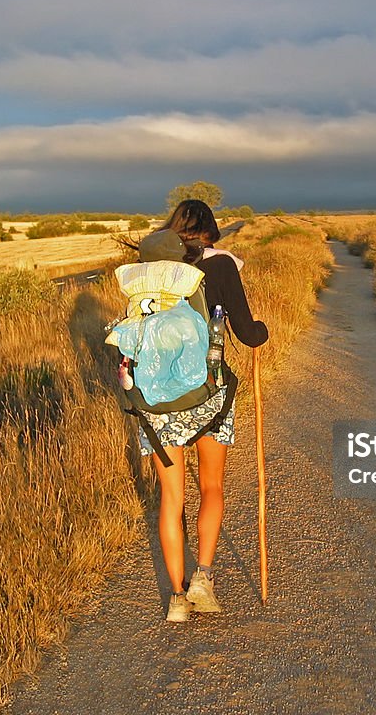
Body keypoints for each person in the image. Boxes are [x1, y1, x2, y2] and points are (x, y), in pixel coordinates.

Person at [139, 199, 268, 623]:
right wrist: (262, 331)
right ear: (212, 230)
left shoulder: (151, 273)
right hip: (210, 394)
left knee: (170, 497)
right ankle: (203, 579)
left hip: (156, 396)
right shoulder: (222, 266)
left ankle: (176, 600)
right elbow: (248, 335)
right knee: (211, 486)